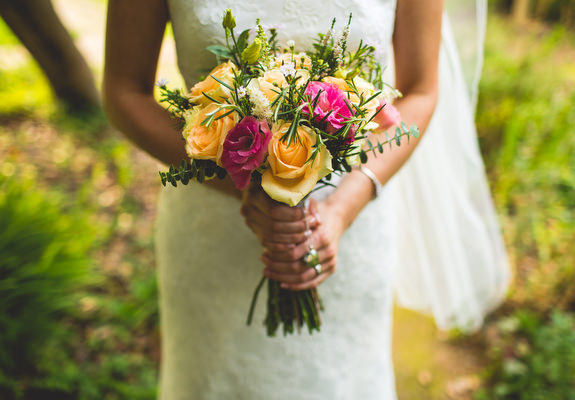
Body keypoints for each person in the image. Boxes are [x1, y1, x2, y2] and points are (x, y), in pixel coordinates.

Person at [103, 0, 508, 398]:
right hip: (212, 228)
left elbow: (420, 91)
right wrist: (244, 183)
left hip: (353, 222)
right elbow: (124, 91)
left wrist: (342, 208)